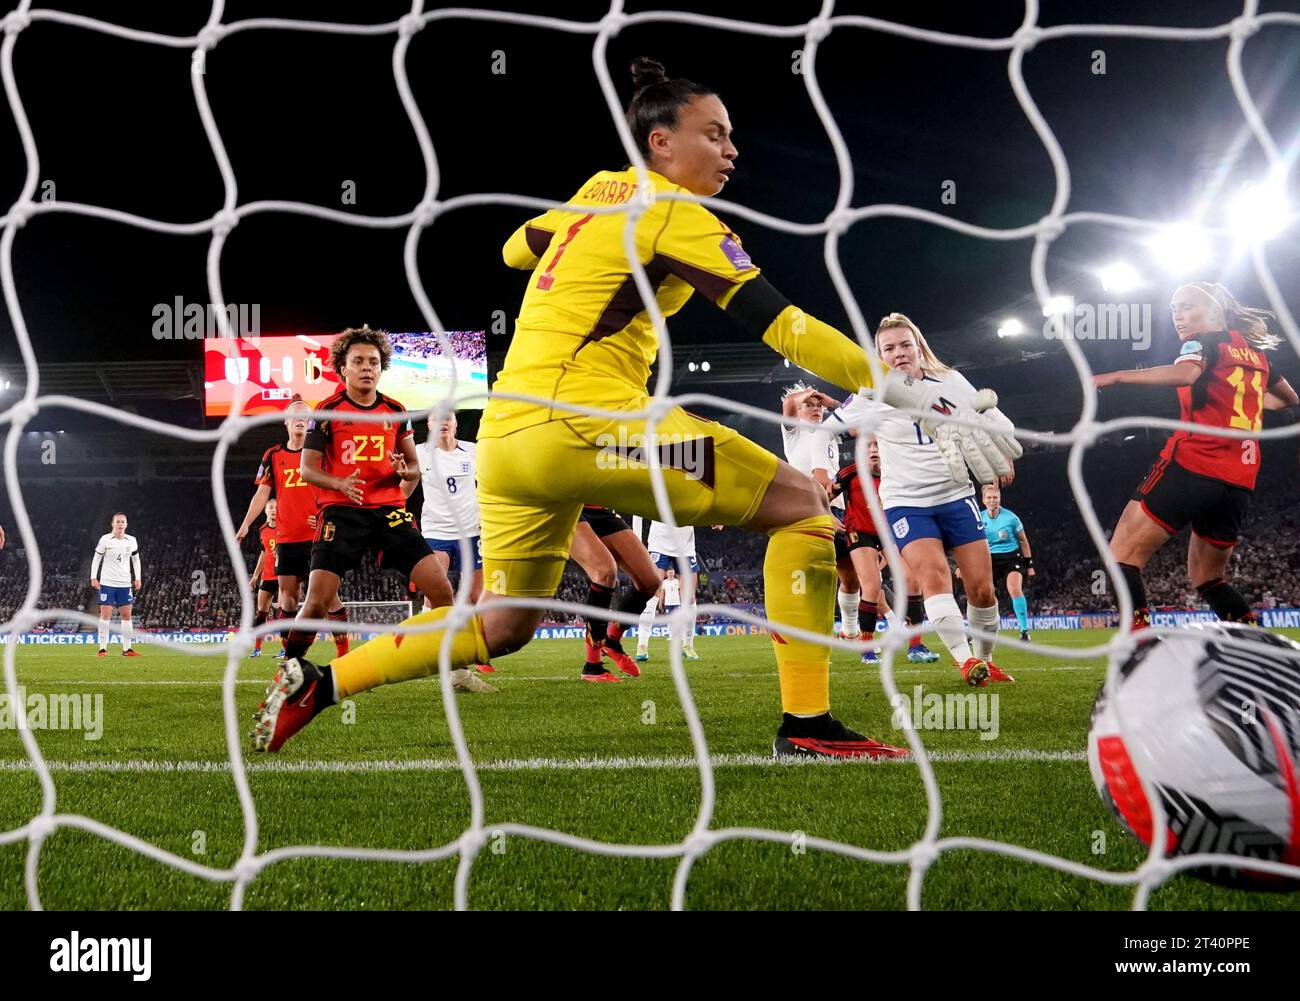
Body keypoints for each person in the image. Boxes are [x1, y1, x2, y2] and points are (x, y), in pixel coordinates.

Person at [252, 58, 1015, 757]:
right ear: (661, 141)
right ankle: (807, 724)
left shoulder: (597, 190)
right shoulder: (677, 213)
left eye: (731, 136)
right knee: (806, 508)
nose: (731, 149)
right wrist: (917, 391)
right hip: (595, 427)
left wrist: (575, 219)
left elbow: (516, 247)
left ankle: (319, 684)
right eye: (713, 134)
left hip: (511, 441)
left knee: (506, 623)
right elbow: (785, 327)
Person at [827, 313, 1018, 686]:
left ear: (918, 347)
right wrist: (818, 467)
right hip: (905, 502)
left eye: (904, 345)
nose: (898, 353)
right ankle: (965, 662)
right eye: (889, 348)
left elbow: (988, 416)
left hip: (955, 494)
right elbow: (824, 429)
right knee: (934, 575)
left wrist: (1001, 445)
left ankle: (984, 659)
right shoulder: (870, 393)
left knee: (981, 589)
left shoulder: (950, 381)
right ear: (879, 355)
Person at [1094, 281, 1296, 628]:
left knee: (1121, 557)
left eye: (1187, 307)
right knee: (1209, 579)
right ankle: (1260, 651)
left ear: (1216, 311)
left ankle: (1139, 649)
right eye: (1174, 310)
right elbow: (1290, 400)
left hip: (1193, 465)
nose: (1178, 316)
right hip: (1238, 483)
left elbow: (1186, 374)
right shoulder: (1258, 357)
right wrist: (1245, 399)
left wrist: (1115, 377)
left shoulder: (1202, 343)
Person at [235, 398, 350, 658]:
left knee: (329, 597)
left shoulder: (321, 453)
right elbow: (262, 494)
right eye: (295, 416)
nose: (300, 419)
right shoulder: (273, 455)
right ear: (286, 422)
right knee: (287, 600)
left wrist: (325, 514)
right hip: (287, 537)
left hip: (319, 536)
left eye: (305, 416)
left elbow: (337, 485)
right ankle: (291, 657)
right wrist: (245, 526)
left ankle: (343, 655)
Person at [834, 435, 940, 664]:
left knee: (912, 581)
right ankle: (867, 649)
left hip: (890, 532)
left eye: (877, 445)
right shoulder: (849, 474)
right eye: (868, 446)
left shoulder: (898, 472)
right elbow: (823, 496)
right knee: (871, 586)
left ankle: (915, 647)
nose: (873, 449)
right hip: (859, 532)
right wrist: (826, 516)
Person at [403, 411, 495, 675]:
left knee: (476, 596)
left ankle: (473, 650)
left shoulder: (474, 451)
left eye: (448, 418)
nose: (443, 422)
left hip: (471, 531)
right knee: (436, 588)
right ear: (429, 425)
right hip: (436, 531)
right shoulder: (420, 453)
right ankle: (420, 646)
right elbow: (406, 487)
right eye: (437, 419)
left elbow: (491, 483)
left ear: (455, 424)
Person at [781, 384, 861, 640]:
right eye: (810, 405)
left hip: (836, 507)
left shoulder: (829, 432)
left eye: (819, 406)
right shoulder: (793, 430)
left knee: (851, 576)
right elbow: (788, 404)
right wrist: (806, 393)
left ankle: (849, 629)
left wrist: (832, 403)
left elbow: (858, 424)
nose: (816, 409)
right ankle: (802, 630)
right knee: (810, 574)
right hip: (805, 509)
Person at [568, 505, 661, 682]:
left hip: (600, 507)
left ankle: (612, 641)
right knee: (605, 572)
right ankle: (592, 666)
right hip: (568, 505)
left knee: (651, 581)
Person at [633, 517, 713, 662]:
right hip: (659, 543)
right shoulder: (654, 493)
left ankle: (688, 645)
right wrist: (637, 539)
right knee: (651, 594)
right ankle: (642, 645)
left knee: (689, 598)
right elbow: (637, 510)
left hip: (685, 546)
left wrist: (715, 517)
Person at [979, 483, 1035, 642]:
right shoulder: (979, 517)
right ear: (983, 500)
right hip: (989, 559)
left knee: (1015, 589)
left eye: (995, 497)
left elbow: (1023, 541)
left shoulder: (1011, 518)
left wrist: (1029, 564)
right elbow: (972, 543)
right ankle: (979, 630)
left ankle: (1024, 631)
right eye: (989, 497)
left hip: (1011, 557)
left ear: (999, 499)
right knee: (983, 594)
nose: (992, 500)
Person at [90, 512, 142, 657]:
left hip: (125, 584)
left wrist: (138, 578)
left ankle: (127, 649)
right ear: (112, 524)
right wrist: (93, 577)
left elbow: (136, 560)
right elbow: (96, 558)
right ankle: (102, 649)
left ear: (126, 524)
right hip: (107, 583)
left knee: (127, 616)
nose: (120, 524)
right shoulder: (105, 540)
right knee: (105, 616)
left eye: (123, 522)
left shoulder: (132, 540)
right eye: (118, 522)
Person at [247, 498, 281, 657]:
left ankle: (286, 649)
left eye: (276, 507)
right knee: (261, 613)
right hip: (267, 577)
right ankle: (257, 649)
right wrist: (255, 576)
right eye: (271, 508)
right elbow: (263, 553)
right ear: (266, 511)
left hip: (283, 575)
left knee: (283, 613)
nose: (274, 510)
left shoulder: (285, 527)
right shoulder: (263, 530)